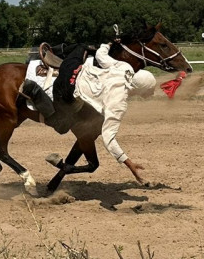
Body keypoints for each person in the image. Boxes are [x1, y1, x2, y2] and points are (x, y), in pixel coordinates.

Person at [20, 40, 157, 184]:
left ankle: (53, 51)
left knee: (82, 46)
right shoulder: (119, 101)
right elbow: (109, 139)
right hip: (66, 90)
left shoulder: (124, 67)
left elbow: (100, 54)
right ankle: (34, 90)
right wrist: (129, 164)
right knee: (61, 126)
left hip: (72, 67)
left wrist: (108, 44)